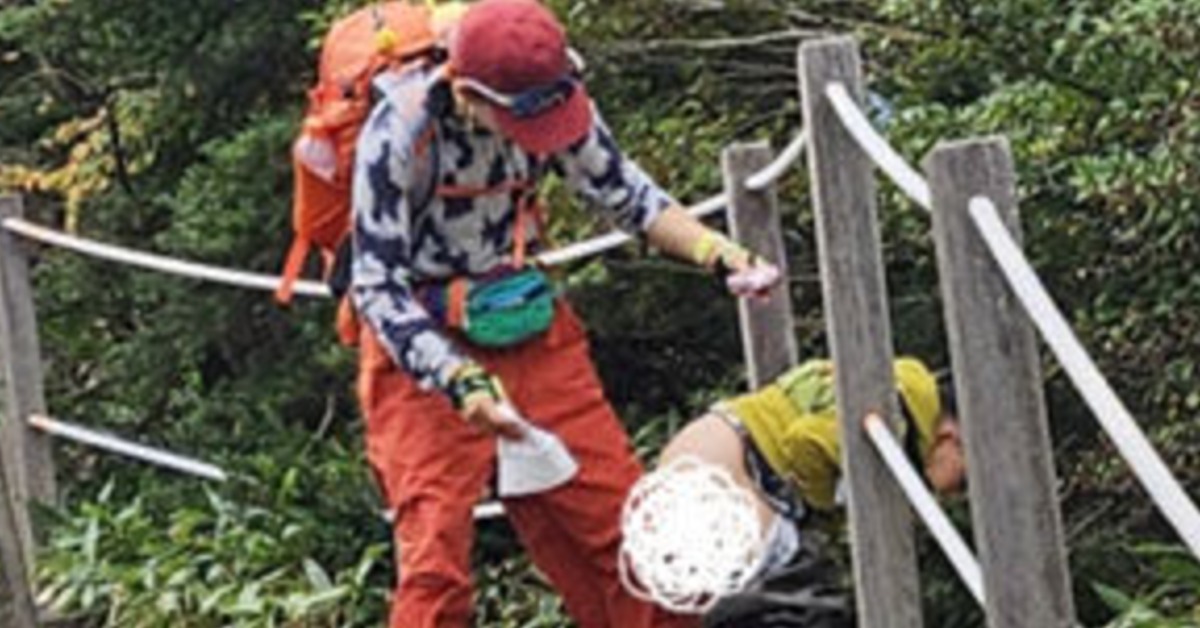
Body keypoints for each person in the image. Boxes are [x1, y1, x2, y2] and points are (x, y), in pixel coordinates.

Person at [348, 0, 782, 626]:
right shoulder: (400, 131)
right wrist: (457, 380)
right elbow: (376, 286)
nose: (544, 136)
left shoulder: (554, 100)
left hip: (523, 321)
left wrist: (717, 252)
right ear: (468, 92)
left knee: (629, 534)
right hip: (422, 344)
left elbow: (627, 195)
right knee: (435, 560)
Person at [621, 357, 966, 627]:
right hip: (729, 476)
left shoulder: (887, 384)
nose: (956, 495)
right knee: (801, 607)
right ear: (951, 437)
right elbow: (807, 442)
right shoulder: (892, 414)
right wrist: (824, 510)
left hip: (706, 464)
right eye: (966, 480)